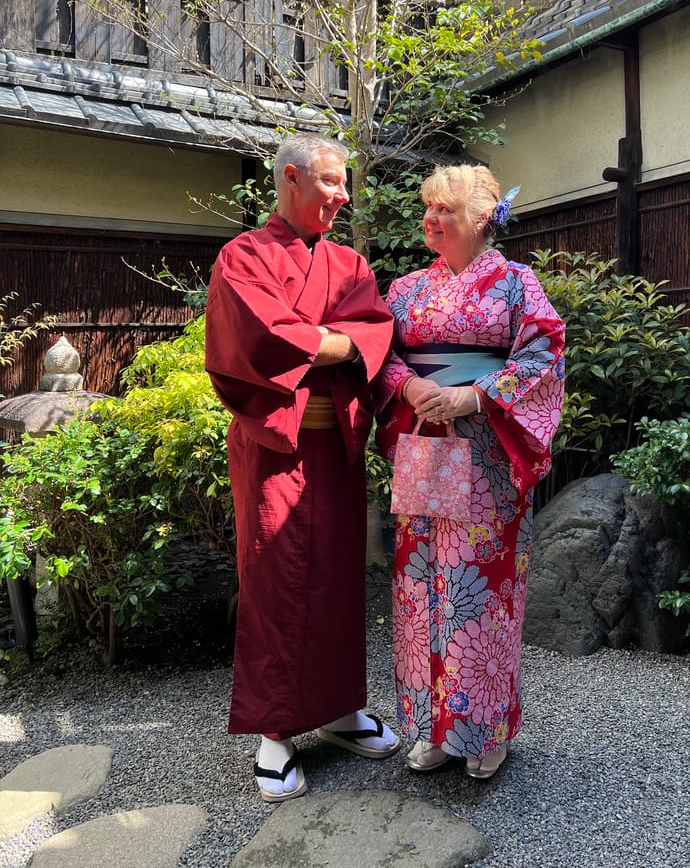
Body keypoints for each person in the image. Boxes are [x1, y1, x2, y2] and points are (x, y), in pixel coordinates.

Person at [204, 132, 399, 803]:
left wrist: (324, 340)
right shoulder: (243, 255)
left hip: (335, 444)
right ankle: (276, 732)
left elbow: (375, 332)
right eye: (331, 182)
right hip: (274, 445)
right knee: (275, 579)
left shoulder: (349, 262)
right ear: (291, 178)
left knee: (340, 580)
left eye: (345, 183)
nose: (343, 196)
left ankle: (341, 711)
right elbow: (260, 337)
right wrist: (336, 342)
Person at [376, 163, 565, 781]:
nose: (430, 219)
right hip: (425, 442)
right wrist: (409, 388)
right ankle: (433, 727)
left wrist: (475, 395)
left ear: (483, 220)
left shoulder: (515, 283)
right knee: (419, 587)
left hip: (486, 452)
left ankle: (484, 729)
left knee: (481, 589)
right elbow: (381, 356)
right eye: (428, 208)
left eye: (445, 210)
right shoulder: (405, 290)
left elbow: (543, 353)